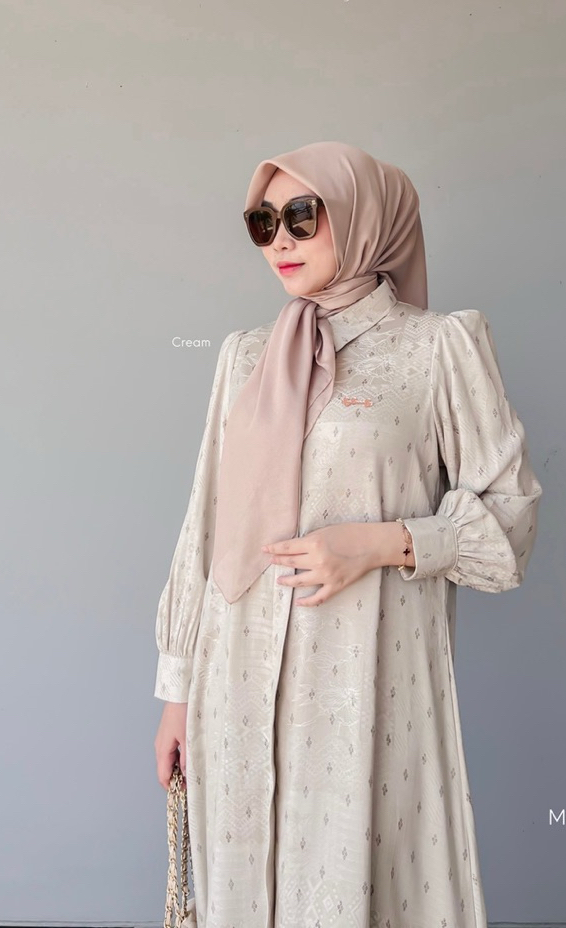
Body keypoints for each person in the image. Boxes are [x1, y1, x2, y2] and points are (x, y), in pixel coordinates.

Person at [153, 141, 543, 928]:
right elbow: (206, 527)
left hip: (363, 678)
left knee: (349, 890)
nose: (281, 240)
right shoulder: (245, 357)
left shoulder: (439, 346)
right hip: (234, 682)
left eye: (303, 215)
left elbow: (511, 526)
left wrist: (379, 543)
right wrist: (177, 692)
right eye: (263, 223)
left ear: (364, 218)